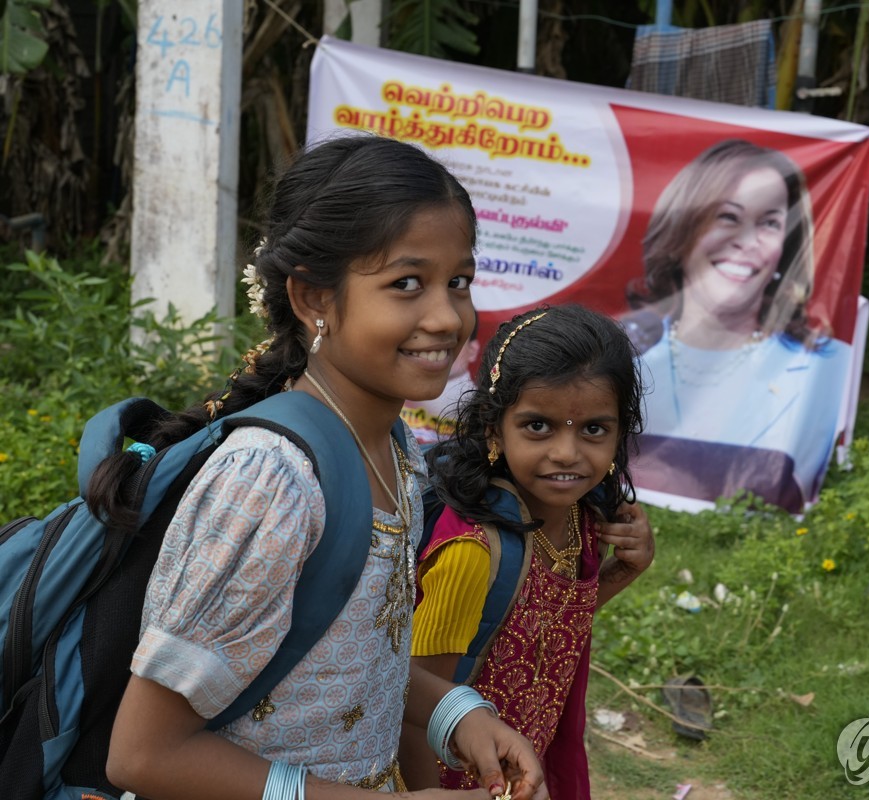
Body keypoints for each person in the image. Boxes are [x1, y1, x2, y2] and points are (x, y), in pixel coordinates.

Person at [98, 135, 546, 799]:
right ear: (312, 298)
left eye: (459, 282)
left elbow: (352, 659)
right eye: (406, 284)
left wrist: (461, 715)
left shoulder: (393, 448)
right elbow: (144, 756)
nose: (447, 316)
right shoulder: (271, 482)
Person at [398, 305, 655, 798]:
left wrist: (622, 572)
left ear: (621, 430)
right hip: (453, 781)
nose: (567, 452)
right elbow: (415, 706)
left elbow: (538, 628)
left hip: (522, 766)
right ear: (494, 429)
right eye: (539, 426)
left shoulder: (583, 517)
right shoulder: (471, 553)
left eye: (594, 429)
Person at [624, 138, 853, 509]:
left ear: (785, 248)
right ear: (682, 231)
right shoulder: (618, 359)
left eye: (769, 223)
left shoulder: (827, 367)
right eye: (728, 217)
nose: (747, 241)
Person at [403, 324, 481, 446]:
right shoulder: (391, 391)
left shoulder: (483, 410)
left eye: (454, 338)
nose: (434, 347)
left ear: (473, 351)